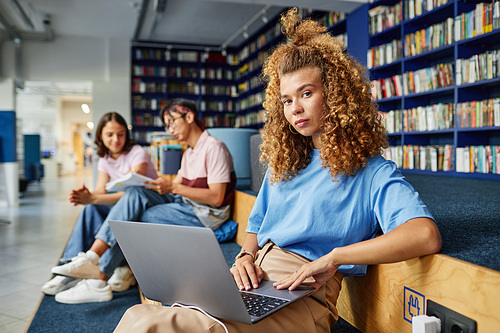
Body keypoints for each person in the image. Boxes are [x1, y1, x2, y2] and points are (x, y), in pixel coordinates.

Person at [113, 8, 442, 333]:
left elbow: (424, 235)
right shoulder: (285, 163)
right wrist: (244, 256)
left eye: (306, 93)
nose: (295, 108)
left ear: (337, 95)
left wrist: (336, 258)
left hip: (302, 295)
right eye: (286, 100)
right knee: (139, 316)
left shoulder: (372, 171)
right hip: (255, 280)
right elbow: (256, 226)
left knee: (169, 327)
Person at [52, 98, 237, 304]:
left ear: (190, 116)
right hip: (185, 205)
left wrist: (172, 187)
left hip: (206, 214)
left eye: (172, 122)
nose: (170, 129)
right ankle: (94, 263)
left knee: (136, 214)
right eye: (167, 125)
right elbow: (175, 185)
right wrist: (159, 186)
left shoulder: (214, 147)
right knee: (135, 195)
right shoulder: (190, 152)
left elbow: (217, 197)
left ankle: (98, 274)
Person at [41, 112, 158, 296]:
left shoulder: (137, 152)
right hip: (125, 201)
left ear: (126, 134)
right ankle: (70, 266)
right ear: (100, 137)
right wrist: (87, 196)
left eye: (120, 134)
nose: (116, 139)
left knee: (100, 204)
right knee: (90, 208)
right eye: (109, 135)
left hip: (143, 201)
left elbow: (132, 194)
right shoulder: (105, 159)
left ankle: (94, 268)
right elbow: (100, 191)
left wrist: (93, 198)